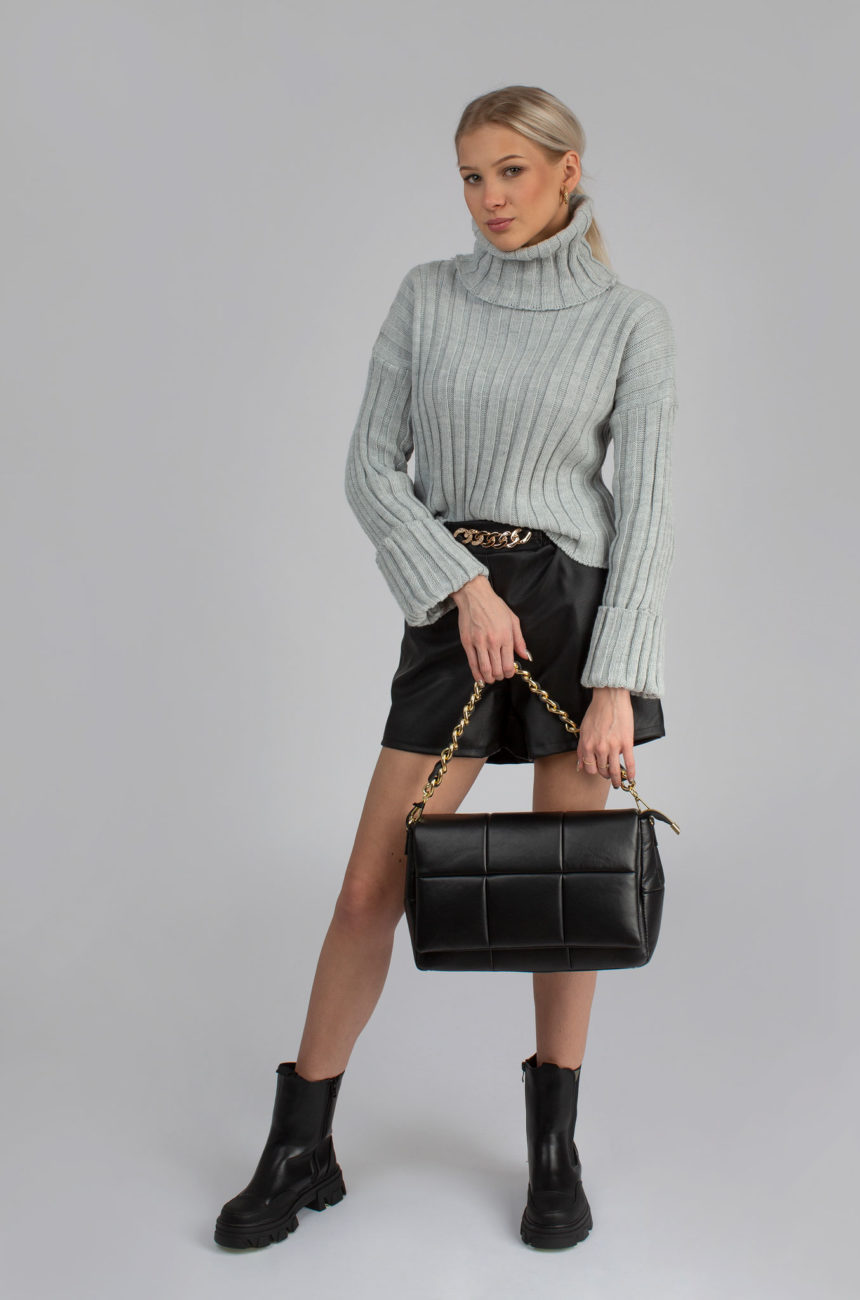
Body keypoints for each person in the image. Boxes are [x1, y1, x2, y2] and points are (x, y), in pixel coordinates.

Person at [214, 83, 678, 1254]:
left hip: (573, 613)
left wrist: (616, 681)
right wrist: (460, 586)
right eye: (472, 176)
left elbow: (649, 512)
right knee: (368, 888)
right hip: (455, 610)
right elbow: (370, 468)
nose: (489, 198)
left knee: (566, 895)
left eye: (511, 171)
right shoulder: (428, 296)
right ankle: (301, 1145)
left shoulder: (631, 321)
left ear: (569, 170)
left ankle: (554, 1152)